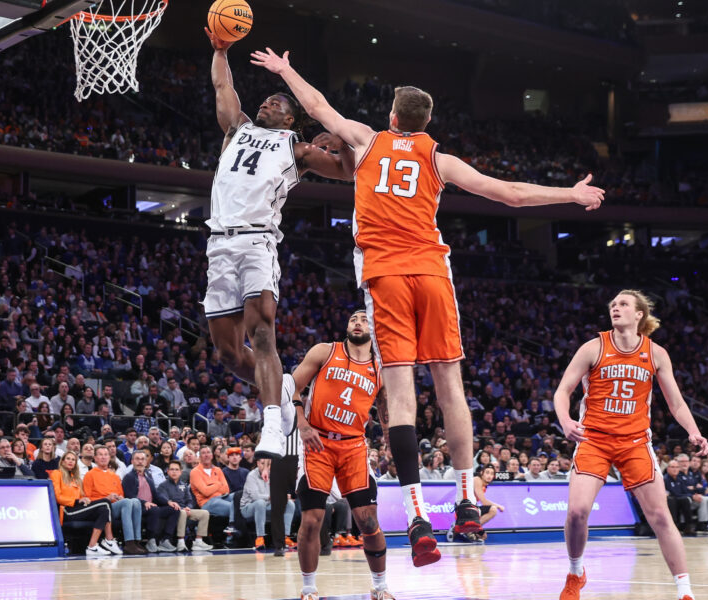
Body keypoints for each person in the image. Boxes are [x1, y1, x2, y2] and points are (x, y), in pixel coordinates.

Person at [251, 49, 606, 566]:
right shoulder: (440, 158)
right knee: (450, 387)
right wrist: (570, 195)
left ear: (392, 118)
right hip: (433, 273)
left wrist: (285, 71)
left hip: (386, 274)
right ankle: (466, 502)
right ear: (427, 123)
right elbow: (507, 193)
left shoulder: (368, 140)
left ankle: (417, 516)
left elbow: (318, 105)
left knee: (400, 394)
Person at [202, 28, 351, 461]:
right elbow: (222, 84)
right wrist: (220, 49)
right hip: (218, 244)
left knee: (262, 332)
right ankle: (284, 391)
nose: (268, 102)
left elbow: (346, 171)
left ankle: (270, 421)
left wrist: (340, 142)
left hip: (256, 242)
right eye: (266, 100)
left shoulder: (296, 147)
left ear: (290, 119)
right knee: (228, 354)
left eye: (278, 103)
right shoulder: (236, 128)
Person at [553, 290, 708, 600]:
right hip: (594, 439)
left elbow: (676, 403)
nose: (615, 308)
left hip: (635, 441)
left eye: (623, 304)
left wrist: (693, 431)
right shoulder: (593, 347)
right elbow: (562, 391)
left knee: (661, 516)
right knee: (576, 512)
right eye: (613, 304)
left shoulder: (656, 353)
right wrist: (566, 421)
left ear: (639, 314)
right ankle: (575, 572)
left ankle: (685, 592)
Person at [285, 310, 393, 599]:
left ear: (374, 328)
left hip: (353, 445)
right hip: (317, 443)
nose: (357, 323)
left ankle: (381, 587)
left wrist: (391, 440)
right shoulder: (325, 351)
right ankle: (308, 589)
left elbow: (385, 411)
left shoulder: (380, 368)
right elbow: (290, 387)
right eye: (353, 319)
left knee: (368, 520)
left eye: (364, 319)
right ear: (347, 327)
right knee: (311, 519)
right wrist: (303, 424)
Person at [50, 451, 118, 557]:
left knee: (103, 509)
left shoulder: (76, 478)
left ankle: (92, 546)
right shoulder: (56, 473)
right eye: (68, 459)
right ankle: (109, 539)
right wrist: (77, 501)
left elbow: (81, 497)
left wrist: (85, 499)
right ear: (62, 461)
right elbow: (57, 497)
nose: (70, 461)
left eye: (73, 460)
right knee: (105, 502)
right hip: (66, 510)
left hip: (78, 508)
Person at [82, 446, 144, 555]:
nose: (103, 457)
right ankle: (128, 543)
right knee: (127, 502)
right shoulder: (89, 475)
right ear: (95, 458)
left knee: (135, 501)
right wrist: (106, 498)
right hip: (101, 507)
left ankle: (137, 541)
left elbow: (121, 495)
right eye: (100, 455)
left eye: (106, 454)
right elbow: (88, 499)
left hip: (116, 506)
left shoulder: (114, 476)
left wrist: (119, 497)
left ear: (109, 457)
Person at [121, 449, 176, 552]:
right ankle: (151, 540)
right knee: (154, 509)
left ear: (146, 462)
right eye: (137, 459)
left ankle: (166, 540)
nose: (140, 462)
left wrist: (168, 501)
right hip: (138, 508)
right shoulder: (129, 477)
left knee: (174, 509)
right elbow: (129, 496)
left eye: (143, 459)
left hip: (150, 506)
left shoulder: (148, 476)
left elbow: (156, 494)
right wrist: (144, 502)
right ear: (132, 461)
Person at [240, 457, 295, 552]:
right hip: (248, 507)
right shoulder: (251, 476)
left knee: (289, 504)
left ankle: (285, 537)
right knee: (260, 503)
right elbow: (255, 497)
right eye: (262, 463)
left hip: (268, 505)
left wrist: (283, 496)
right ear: (257, 463)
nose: (266, 467)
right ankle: (260, 538)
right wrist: (274, 496)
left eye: (269, 464)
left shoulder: (274, 474)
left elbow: (279, 492)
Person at [157, 460, 213, 552]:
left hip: (185, 510)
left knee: (204, 513)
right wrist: (183, 509)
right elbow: (165, 500)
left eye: (176, 469)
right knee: (182, 512)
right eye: (172, 469)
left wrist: (188, 507)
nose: (174, 472)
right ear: (168, 471)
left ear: (180, 472)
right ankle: (181, 542)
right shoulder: (163, 486)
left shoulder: (184, 485)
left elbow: (190, 500)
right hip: (174, 512)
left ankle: (198, 541)